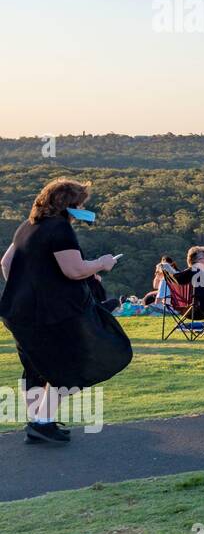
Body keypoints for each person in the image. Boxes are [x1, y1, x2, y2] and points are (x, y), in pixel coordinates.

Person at [0, 178, 133, 445]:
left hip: (19, 310)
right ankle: (42, 421)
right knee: (70, 364)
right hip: (54, 313)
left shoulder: (27, 227)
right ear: (70, 205)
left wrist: (30, 286)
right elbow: (74, 270)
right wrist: (101, 264)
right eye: (81, 203)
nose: (83, 208)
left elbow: (6, 263)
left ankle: (37, 422)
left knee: (35, 365)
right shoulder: (60, 229)